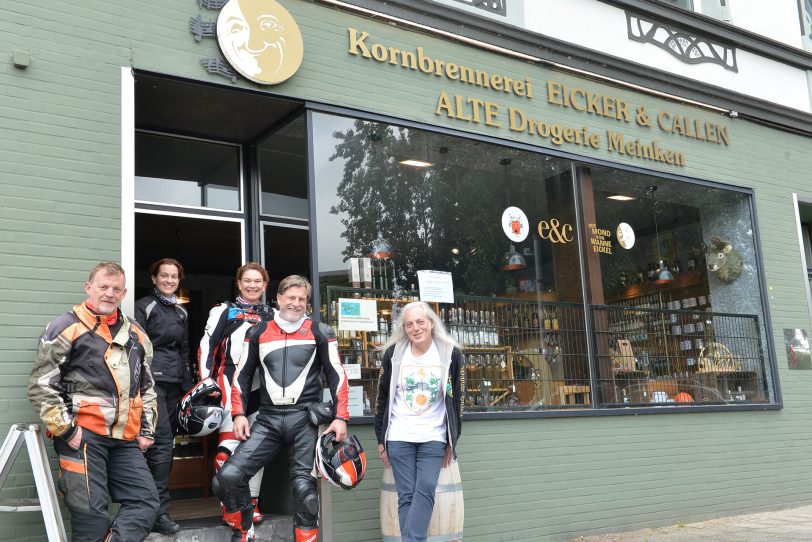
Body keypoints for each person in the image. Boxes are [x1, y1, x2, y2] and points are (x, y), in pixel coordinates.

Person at [28, 262, 159, 542]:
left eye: (116, 289)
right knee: (91, 517)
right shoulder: (66, 326)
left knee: (147, 504)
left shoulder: (135, 333)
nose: (109, 293)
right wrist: (68, 431)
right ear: (89, 288)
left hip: (126, 438)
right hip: (83, 436)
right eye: (103, 287)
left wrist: (146, 431)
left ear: (124, 292)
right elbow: (41, 384)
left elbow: (146, 386)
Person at [213, 274, 349, 542]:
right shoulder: (258, 332)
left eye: (302, 299)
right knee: (228, 477)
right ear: (278, 298)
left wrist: (342, 417)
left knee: (304, 490)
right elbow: (241, 376)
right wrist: (239, 413)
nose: (296, 303)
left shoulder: (321, 331)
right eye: (291, 297)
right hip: (268, 419)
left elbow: (338, 376)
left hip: (304, 419)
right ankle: (245, 531)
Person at [374, 301, 464, 542]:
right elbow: (382, 398)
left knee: (425, 490)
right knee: (406, 495)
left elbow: (458, 401)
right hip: (399, 436)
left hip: (433, 437)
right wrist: (380, 440)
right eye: (409, 324)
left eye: (420, 322)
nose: (415, 328)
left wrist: (452, 441)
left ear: (431, 323)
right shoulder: (394, 354)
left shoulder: (450, 354)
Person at [199, 262, 274, 526]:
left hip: (263, 388)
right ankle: (230, 504)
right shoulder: (224, 311)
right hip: (230, 381)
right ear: (239, 283)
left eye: (258, 281)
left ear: (265, 285)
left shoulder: (272, 314)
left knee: (257, 448)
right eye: (248, 281)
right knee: (227, 449)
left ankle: (251, 502)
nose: (253, 285)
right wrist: (207, 383)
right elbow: (206, 346)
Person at [134, 258, 194, 534]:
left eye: (174, 277)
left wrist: (187, 385)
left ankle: (156, 511)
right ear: (154, 278)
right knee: (158, 447)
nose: (170, 280)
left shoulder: (181, 312)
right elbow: (136, 349)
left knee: (165, 447)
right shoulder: (144, 306)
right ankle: (157, 514)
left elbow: (184, 350)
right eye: (165, 276)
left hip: (172, 385)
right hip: (150, 385)